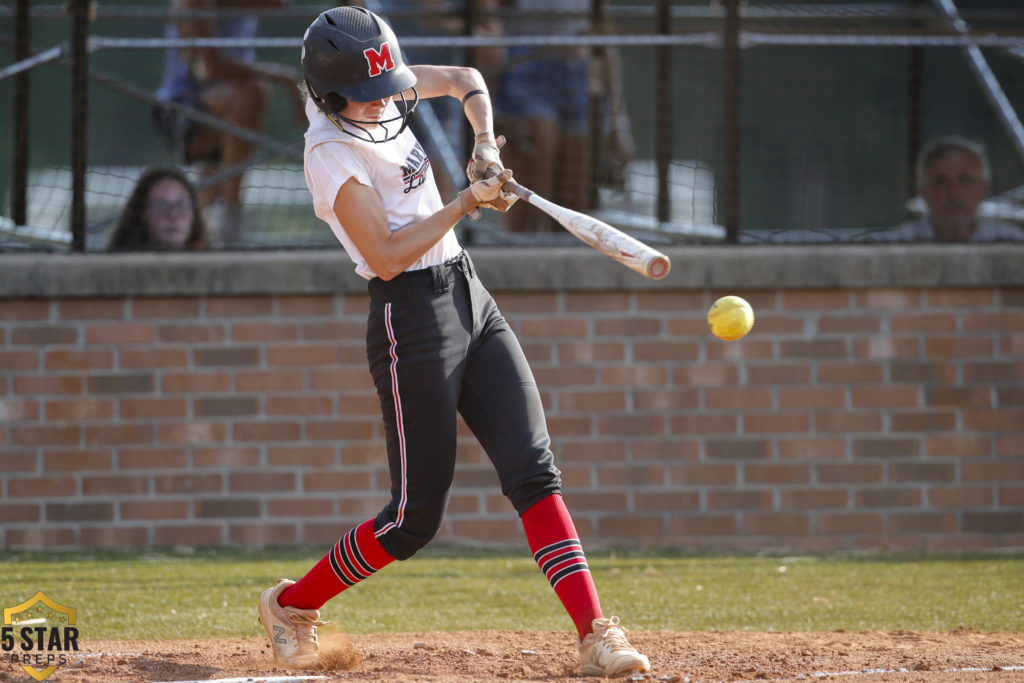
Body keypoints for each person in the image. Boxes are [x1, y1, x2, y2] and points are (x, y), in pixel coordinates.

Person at [255, 7, 651, 678]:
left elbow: (467, 78)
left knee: (533, 468)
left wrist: (486, 143)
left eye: (389, 85)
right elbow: (383, 254)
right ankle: (292, 604)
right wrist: (467, 202)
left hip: (469, 294)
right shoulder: (329, 152)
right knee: (413, 518)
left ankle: (595, 632)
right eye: (369, 92)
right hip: (408, 317)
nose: (386, 100)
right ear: (331, 93)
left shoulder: (385, 87)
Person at [473, 0, 635, 233]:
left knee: (574, 199)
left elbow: (605, 41)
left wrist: (618, 124)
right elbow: (487, 21)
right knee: (528, 198)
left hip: (577, 74)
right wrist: (489, 112)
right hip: (524, 70)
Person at [153, 0, 306, 245]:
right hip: (184, 109)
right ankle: (231, 212)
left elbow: (279, 5)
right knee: (253, 92)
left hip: (223, 109)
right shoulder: (192, 5)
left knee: (206, 197)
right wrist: (286, 79)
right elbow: (213, 68)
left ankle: (204, 231)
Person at [870, 136, 1023, 243]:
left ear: (983, 188)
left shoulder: (1012, 244)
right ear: (922, 193)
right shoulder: (896, 246)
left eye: (965, 181)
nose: (954, 194)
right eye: (941, 183)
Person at [107, 167, 209, 250]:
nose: (173, 214)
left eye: (181, 204)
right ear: (143, 213)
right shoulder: (120, 263)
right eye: (161, 206)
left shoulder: (211, 260)